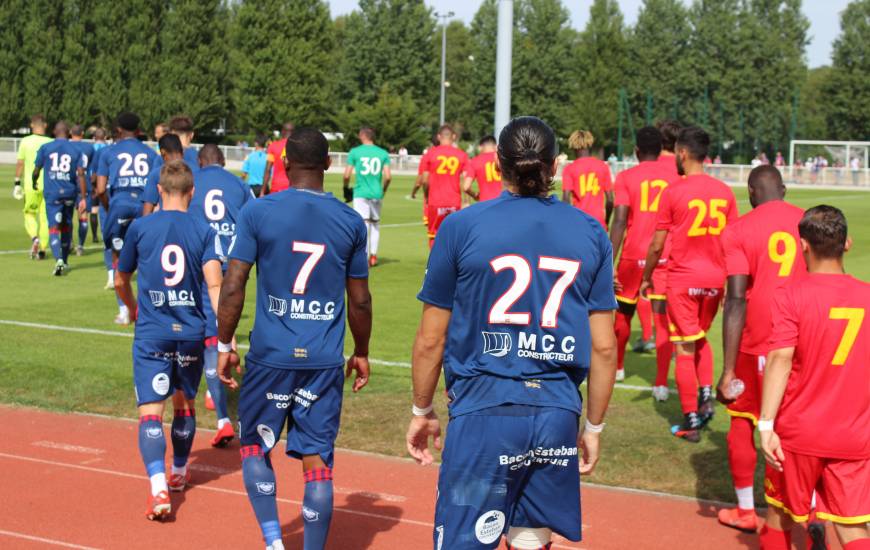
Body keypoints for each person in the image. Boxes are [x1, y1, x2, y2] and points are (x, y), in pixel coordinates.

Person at [407, 116, 617, 550]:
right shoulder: (592, 232)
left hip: (485, 410)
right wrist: (593, 427)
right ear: (554, 166)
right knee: (529, 539)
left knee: (465, 540)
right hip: (555, 413)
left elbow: (431, 338)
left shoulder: (462, 227)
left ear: (498, 165)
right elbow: (604, 347)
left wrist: (421, 408)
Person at [216, 127, 372, 550]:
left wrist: (225, 346)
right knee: (317, 462)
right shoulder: (349, 220)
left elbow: (233, 286)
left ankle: (272, 541)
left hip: (270, 355)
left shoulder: (258, 211)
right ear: (327, 164)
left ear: (284, 164)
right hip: (322, 360)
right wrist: (361, 352)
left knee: (254, 447)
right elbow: (359, 300)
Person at [115, 160, 222, 521]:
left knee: (151, 411)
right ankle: (178, 470)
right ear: (192, 193)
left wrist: (132, 308)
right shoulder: (204, 230)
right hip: (191, 332)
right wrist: (227, 337)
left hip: (153, 332)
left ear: (159, 191)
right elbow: (215, 286)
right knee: (184, 403)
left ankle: (158, 486)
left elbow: (120, 279)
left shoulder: (141, 228)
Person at [759, 205, 870, 550]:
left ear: (803, 245)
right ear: (847, 244)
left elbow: (780, 358)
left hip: (798, 433)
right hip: (855, 435)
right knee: (852, 527)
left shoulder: (792, 294)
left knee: (780, 515)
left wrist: (765, 425)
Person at [714, 165, 806, 533]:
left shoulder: (738, 229)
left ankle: (747, 510)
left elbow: (736, 299)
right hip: (803, 338)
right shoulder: (807, 221)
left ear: (751, 193)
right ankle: (803, 509)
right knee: (793, 425)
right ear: (783, 189)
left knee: (744, 420)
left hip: (758, 340)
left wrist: (728, 368)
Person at [640, 126, 738, 442]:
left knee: (683, 347)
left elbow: (656, 245)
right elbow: (734, 243)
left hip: (682, 279)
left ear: (682, 153)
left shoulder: (674, 191)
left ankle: (690, 420)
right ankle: (706, 395)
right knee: (700, 339)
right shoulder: (724, 192)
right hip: (715, 282)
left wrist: (646, 277)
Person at [188, 144, 253, 447]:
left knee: (210, 339)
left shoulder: (193, 183)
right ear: (223, 161)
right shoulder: (238, 184)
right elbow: (252, 219)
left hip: (204, 265)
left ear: (200, 163)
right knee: (221, 329)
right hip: (234, 266)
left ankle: (224, 418)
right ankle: (218, 381)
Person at [609, 127, 676, 392]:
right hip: (665, 255)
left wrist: (609, 261)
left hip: (633, 255)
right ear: (661, 151)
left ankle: (619, 368)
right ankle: (660, 383)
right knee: (662, 321)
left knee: (623, 315)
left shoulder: (626, 176)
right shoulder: (675, 176)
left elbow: (620, 222)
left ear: (636, 151)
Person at [95, 112, 160, 325]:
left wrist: (109, 207)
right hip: (144, 206)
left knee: (118, 260)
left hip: (119, 206)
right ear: (139, 131)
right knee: (145, 260)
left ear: (118, 130)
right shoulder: (151, 154)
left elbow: (101, 188)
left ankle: (124, 310)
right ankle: (147, 310)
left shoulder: (108, 152)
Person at [32, 121, 88, 276]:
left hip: (53, 194)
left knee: (54, 227)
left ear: (54, 132)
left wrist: (33, 181)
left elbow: (37, 169)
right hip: (70, 193)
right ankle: (64, 260)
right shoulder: (76, 149)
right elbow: (81, 175)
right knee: (66, 226)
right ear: (68, 132)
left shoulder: (46, 148)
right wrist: (83, 197)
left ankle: (59, 261)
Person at [343, 127, 392, 267]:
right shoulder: (382, 153)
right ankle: (374, 256)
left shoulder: (355, 152)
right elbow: (388, 177)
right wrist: (383, 190)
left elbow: (346, 175)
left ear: (361, 136)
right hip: (377, 193)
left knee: (362, 224)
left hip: (360, 193)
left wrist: (345, 188)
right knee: (375, 224)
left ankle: (362, 256)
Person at [419, 125, 468, 248]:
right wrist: (466, 201)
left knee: (434, 236)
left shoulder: (430, 154)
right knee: (454, 236)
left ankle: (435, 266)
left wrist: (426, 195)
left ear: (439, 137)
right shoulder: (462, 155)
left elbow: (424, 180)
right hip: (454, 202)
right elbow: (465, 179)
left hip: (435, 201)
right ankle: (452, 266)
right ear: (454, 137)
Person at [14, 114, 53, 260]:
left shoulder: (25, 141)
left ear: (31, 125)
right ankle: (42, 249)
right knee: (45, 218)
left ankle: (34, 239)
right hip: (48, 185)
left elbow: (20, 163)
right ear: (45, 125)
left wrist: (17, 182)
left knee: (29, 214)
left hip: (31, 185)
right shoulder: (51, 142)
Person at [562, 130, 614, 228]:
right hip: (599, 222)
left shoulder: (569, 169)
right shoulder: (602, 166)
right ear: (590, 144)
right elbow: (610, 200)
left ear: (573, 146)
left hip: (579, 222)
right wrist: (606, 221)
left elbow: (565, 199)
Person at [88, 129, 114, 289]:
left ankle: (111, 275)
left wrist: (93, 189)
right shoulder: (142, 150)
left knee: (109, 238)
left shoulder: (103, 152)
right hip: (132, 200)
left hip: (107, 197)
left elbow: (94, 176)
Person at [142, 134, 186, 215]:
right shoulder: (193, 173)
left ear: (163, 152)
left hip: (164, 223)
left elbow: (147, 211)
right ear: (182, 151)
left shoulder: (157, 174)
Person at [69, 124, 95, 256]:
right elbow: (92, 169)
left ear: (70, 133)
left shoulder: (66, 146)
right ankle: (80, 246)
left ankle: (69, 243)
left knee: (67, 216)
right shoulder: (89, 148)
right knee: (83, 217)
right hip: (84, 185)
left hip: (68, 184)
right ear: (83, 133)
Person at [463, 135, 503, 202]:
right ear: (496, 146)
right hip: (503, 202)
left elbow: (466, 187)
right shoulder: (503, 159)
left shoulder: (474, 161)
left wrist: (475, 195)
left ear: (480, 147)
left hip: (485, 203)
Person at [261, 122, 294, 196]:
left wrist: (262, 191)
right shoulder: (298, 146)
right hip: (293, 187)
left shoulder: (273, 146)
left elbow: (268, 170)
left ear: (282, 132)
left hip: (277, 187)